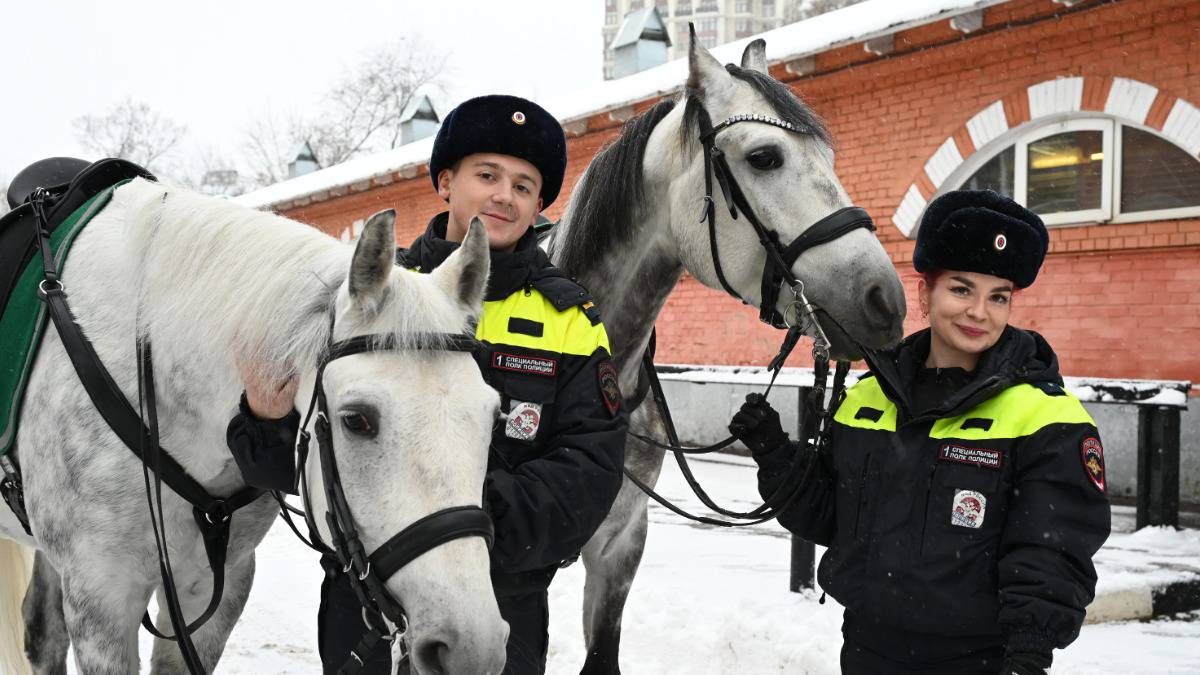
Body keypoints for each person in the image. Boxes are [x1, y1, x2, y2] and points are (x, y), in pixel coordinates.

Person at [226, 95, 629, 674]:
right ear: (444, 182)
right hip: (363, 616)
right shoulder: (365, 297)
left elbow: (591, 470)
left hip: (496, 614)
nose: (504, 195)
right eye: (487, 175)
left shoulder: (570, 320)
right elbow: (291, 468)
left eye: (524, 186)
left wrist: (459, 524)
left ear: (540, 205)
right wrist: (264, 418)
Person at [729, 190, 1111, 675]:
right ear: (924, 293)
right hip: (865, 652)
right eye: (962, 290)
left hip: (979, 662)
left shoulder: (1046, 417)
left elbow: (1052, 548)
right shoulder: (868, 399)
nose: (979, 312)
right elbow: (830, 519)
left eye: (998, 297)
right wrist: (775, 453)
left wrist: (1030, 651)